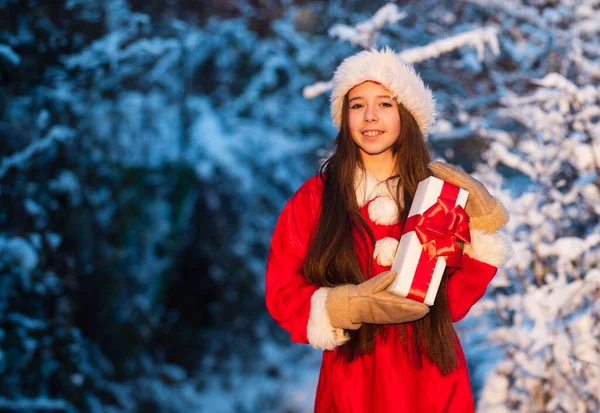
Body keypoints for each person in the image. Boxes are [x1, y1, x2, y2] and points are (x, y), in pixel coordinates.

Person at [265, 47, 509, 413]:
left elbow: (455, 301)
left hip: (430, 375)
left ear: (406, 114)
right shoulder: (316, 197)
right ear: (344, 116)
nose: (370, 117)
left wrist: (480, 232)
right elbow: (282, 290)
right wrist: (341, 306)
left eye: (385, 103)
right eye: (357, 105)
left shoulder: (438, 194)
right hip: (352, 379)